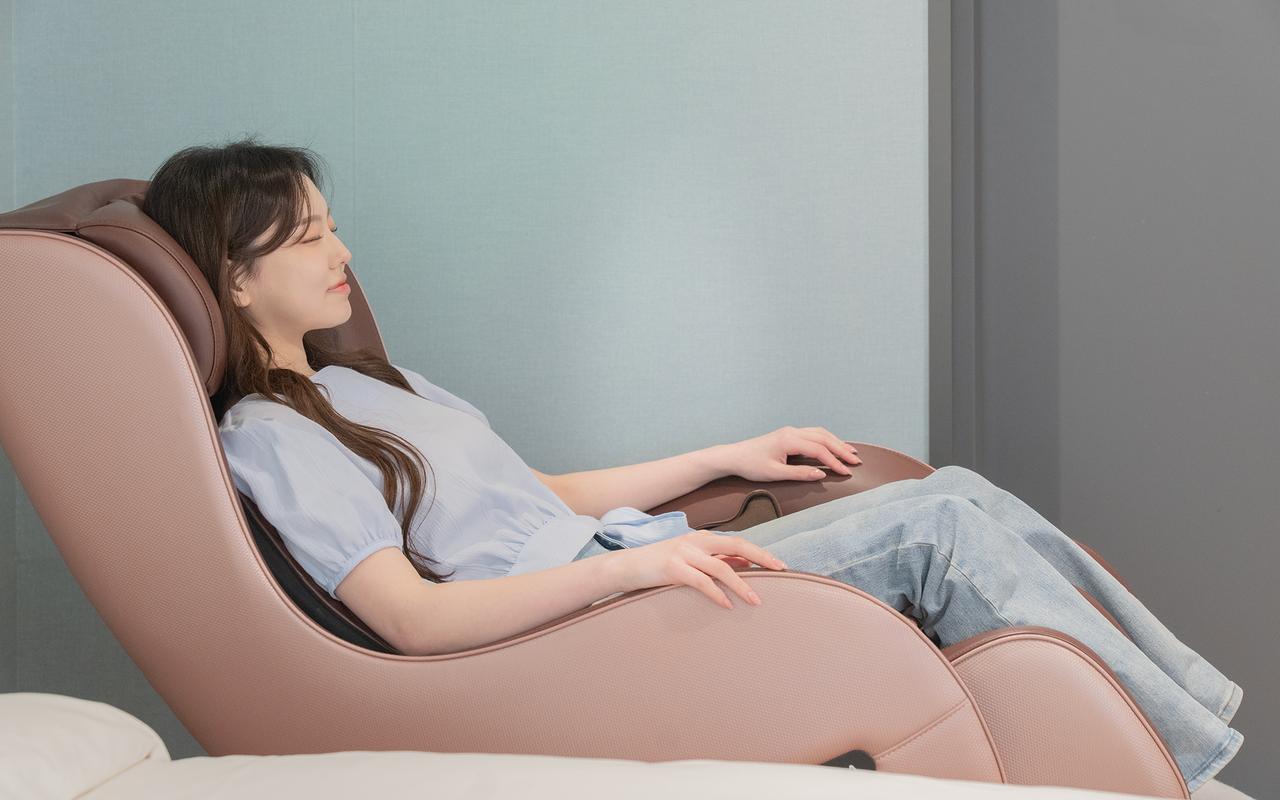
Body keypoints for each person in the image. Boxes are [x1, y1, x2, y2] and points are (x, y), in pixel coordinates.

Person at [144, 137, 1241, 793]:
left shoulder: (370, 385)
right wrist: (629, 571)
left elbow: (538, 496)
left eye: (332, 226)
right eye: (307, 238)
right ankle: (1185, 763)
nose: (342, 253)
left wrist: (729, 453)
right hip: (577, 629)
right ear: (234, 279)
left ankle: (1189, 721)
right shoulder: (272, 436)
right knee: (937, 533)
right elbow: (414, 620)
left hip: (613, 567)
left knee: (947, 491)